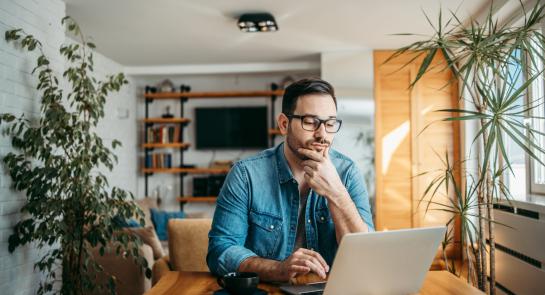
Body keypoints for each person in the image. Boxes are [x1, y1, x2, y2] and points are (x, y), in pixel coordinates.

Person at [207, 78, 374, 282]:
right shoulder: (245, 175)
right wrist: (278, 269)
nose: (322, 134)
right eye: (311, 122)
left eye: (330, 123)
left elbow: (366, 255)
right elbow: (220, 251)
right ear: (284, 124)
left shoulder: (347, 173)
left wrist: (336, 192)